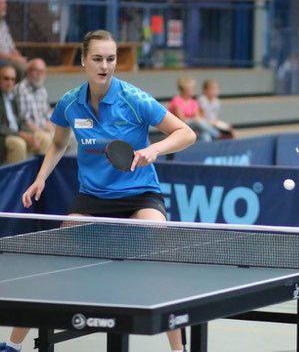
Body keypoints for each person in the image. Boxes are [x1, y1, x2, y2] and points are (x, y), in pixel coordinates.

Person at [0, 30, 196, 352]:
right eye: (97, 59)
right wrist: (40, 178)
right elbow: (59, 143)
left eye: (110, 59)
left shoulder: (135, 100)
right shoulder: (69, 103)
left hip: (140, 192)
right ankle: (13, 345)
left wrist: (155, 150)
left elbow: (186, 133)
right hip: (93, 197)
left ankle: (179, 349)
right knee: (51, 259)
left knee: (160, 250)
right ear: (83, 61)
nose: (105, 65)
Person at [0, 65, 51, 164]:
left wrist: (30, 134)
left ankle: (41, 176)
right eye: (6, 79)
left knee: (44, 138)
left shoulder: (12, 96)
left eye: (12, 79)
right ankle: (17, 179)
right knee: (19, 144)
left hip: (18, 133)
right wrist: (21, 135)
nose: (9, 82)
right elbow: (1, 127)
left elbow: (21, 121)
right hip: (4, 136)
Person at [169, 76, 219, 142]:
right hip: (179, 127)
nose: (194, 90)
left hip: (193, 126)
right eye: (192, 88)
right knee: (199, 122)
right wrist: (195, 121)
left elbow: (197, 117)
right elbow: (181, 120)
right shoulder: (176, 100)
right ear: (185, 89)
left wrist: (196, 125)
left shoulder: (193, 102)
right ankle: (218, 134)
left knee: (205, 135)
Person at [0, 0, 28, 79]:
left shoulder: (3, 23)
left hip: (9, 57)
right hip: (3, 59)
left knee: (31, 66)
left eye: (5, 3)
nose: (5, 6)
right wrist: (13, 59)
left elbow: (11, 47)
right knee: (19, 68)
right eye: (1, 3)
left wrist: (19, 57)